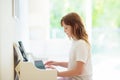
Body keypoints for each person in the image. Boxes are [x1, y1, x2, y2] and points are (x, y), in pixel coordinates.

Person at [45, 12, 92, 80]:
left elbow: (78, 71)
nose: (64, 31)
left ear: (75, 26)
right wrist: (57, 63)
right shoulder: (76, 42)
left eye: (66, 28)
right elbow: (73, 65)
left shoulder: (81, 44)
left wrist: (57, 74)